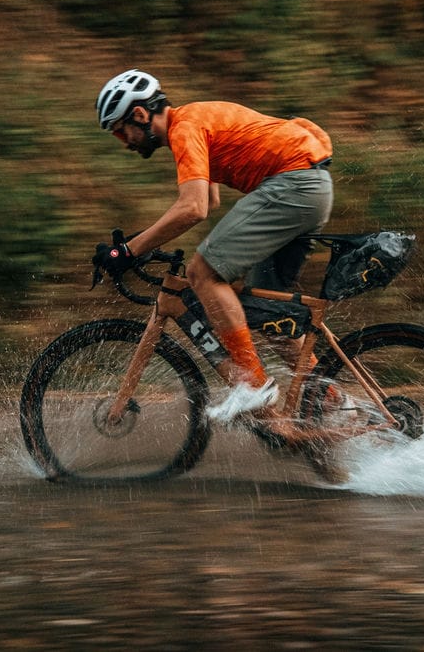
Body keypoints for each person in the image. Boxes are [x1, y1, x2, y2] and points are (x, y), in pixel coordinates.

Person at [92, 69, 334, 436]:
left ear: (139, 115)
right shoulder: (194, 122)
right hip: (310, 187)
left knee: (201, 273)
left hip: (293, 184)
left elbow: (194, 208)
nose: (123, 142)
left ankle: (251, 385)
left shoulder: (185, 127)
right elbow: (210, 198)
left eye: (119, 131)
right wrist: (143, 243)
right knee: (273, 318)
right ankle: (331, 398)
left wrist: (126, 252)